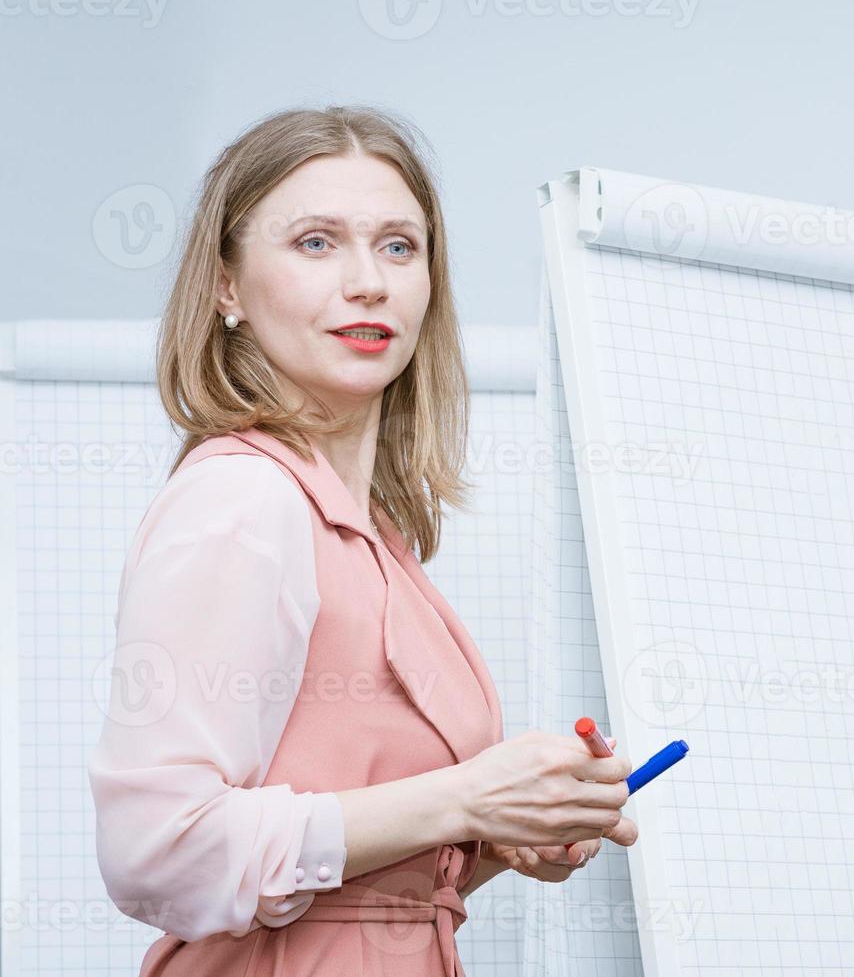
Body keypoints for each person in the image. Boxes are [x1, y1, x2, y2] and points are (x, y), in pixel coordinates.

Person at [87, 104, 637, 976]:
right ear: (226, 285)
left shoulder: (373, 536)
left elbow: (353, 894)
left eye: (397, 246)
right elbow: (156, 850)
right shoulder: (241, 499)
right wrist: (468, 793)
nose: (368, 282)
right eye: (314, 243)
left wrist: (506, 828)